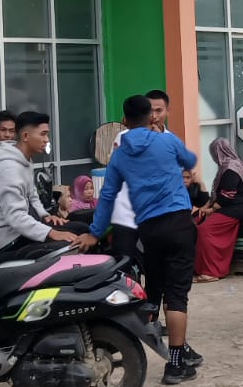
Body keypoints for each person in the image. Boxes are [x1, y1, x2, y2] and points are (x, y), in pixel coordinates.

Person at [78, 95, 204, 384]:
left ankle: (165, 346)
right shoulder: (167, 141)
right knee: (177, 296)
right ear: (151, 117)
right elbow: (190, 161)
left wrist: (95, 232)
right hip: (178, 224)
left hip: (148, 229)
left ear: (124, 121)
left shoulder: (120, 154)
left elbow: (107, 195)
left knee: (155, 287)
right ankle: (176, 365)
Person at [0, 112, 79, 267]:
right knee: (73, 242)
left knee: (80, 227)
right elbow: (15, 216)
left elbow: (32, 195)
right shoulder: (8, 168)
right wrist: (51, 233)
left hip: (23, 230)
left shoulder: (24, 159)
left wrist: (45, 216)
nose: (47, 140)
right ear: (26, 136)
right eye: (43, 134)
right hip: (10, 239)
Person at [194, 138, 243, 283]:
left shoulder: (230, 169)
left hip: (236, 208)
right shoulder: (231, 165)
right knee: (195, 221)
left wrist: (211, 210)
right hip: (230, 206)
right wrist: (205, 207)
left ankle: (211, 271)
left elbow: (227, 195)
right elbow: (219, 194)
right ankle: (198, 268)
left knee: (205, 230)